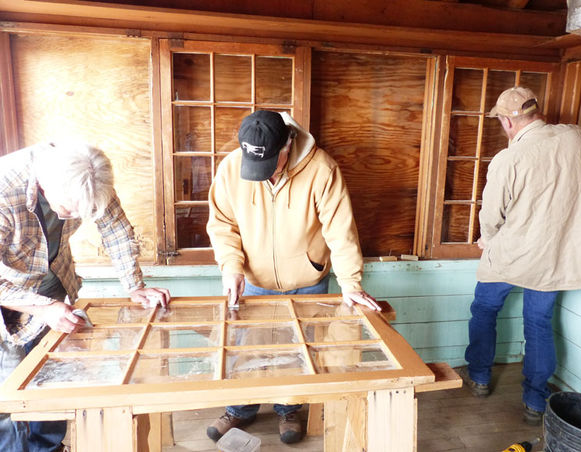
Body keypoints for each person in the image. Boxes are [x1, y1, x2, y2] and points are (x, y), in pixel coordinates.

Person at [206, 110, 380, 444]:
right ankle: (240, 409)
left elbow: (340, 232)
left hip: (307, 280)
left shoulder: (322, 169)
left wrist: (351, 284)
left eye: (271, 164)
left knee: (301, 351)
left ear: (287, 145)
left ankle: (289, 409)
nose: (266, 174)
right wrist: (231, 267)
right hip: (253, 281)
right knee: (247, 351)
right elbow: (222, 224)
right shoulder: (230, 168)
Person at [0, 140, 171, 452]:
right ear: (46, 186)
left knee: (52, 377)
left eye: (84, 210)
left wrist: (134, 285)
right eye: (70, 208)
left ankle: (49, 448)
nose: (76, 216)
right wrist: (43, 307)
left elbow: (115, 228)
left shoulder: (87, 175)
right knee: (8, 389)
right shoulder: (4, 189)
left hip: (51, 284)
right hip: (7, 294)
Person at [460, 86, 581, 426]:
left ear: (508, 121)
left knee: (484, 309)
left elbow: (491, 216)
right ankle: (535, 400)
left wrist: (488, 239)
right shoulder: (575, 138)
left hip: (512, 252)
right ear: (537, 113)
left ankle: (480, 377)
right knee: (539, 323)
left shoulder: (508, 159)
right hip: (555, 254)